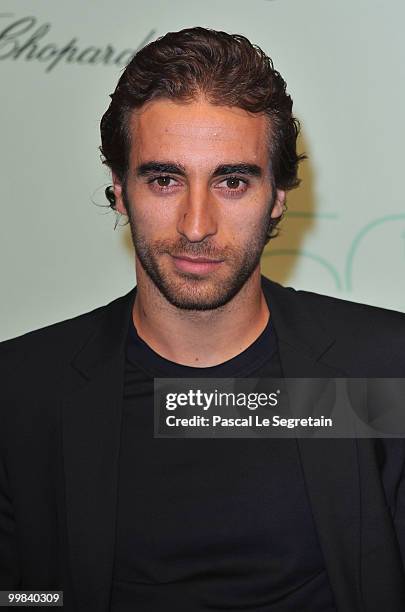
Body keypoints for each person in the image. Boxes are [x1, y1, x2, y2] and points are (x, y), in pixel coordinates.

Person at [1, 26, 405, 612]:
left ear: (277, 198)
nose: (196, 225)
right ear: (119, 189)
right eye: (164, 179)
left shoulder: (383, 372)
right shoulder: (23, 391)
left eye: (232, 181)